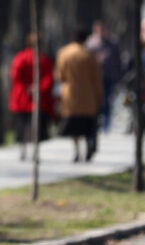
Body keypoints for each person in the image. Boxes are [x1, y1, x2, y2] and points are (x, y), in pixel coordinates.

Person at [55, 27, 103, 162]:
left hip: (70, 95)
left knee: (73, 126)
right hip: (88, 96)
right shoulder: (89, 55)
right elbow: (96, 79)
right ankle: (89, 146)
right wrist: (99, 97)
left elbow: (60, 75)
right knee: (87, 125)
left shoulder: (63, 53)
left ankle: (76, 151)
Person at [9, 33, 55, 161]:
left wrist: (26, 88)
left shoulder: (20, 58)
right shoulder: (44, 60)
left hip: (21, 99)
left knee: (22, 126)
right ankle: (35, 151)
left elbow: (15, 76)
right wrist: (37, 88)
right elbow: (48, 79)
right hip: (37, 100)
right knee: (37, 127)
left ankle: (22, 149)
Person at [86, 21, 122, 133]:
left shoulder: (113, 43)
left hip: (108, 77)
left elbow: (118, 61)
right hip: (95, 78)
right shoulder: (91, 43)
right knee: (97, 101)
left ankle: (106, 123)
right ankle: (97, 122)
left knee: (107, 100)